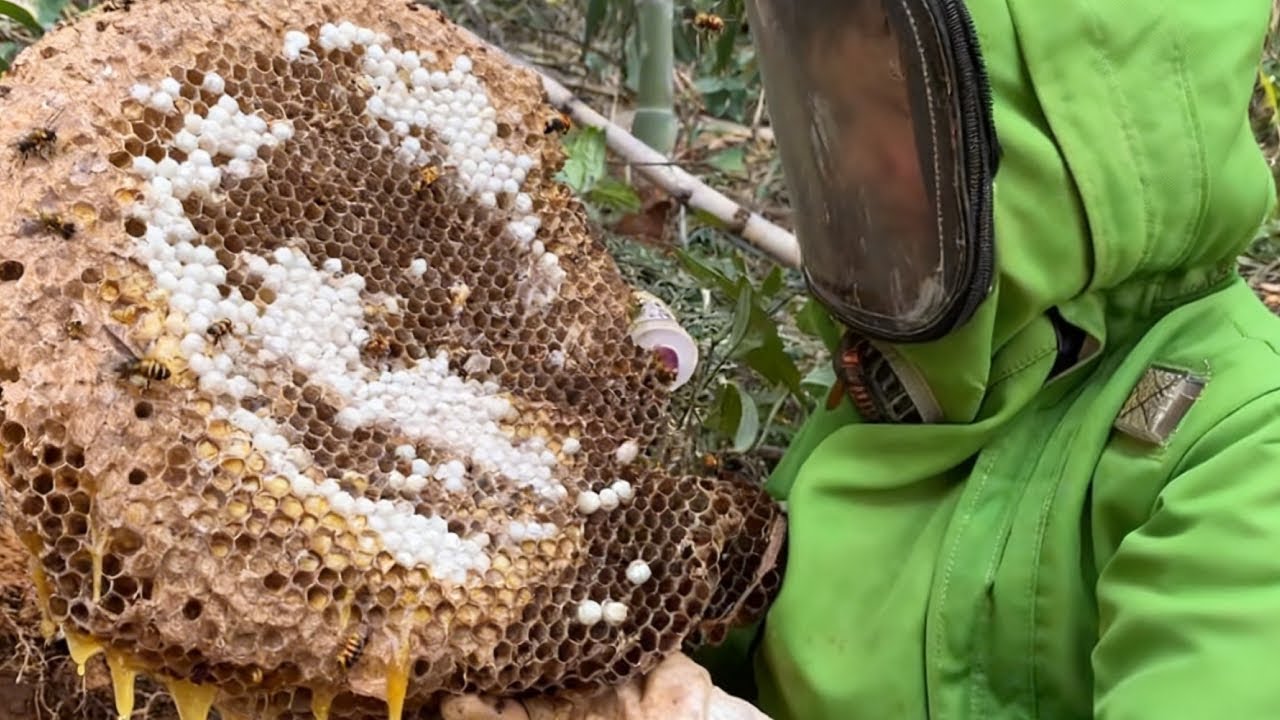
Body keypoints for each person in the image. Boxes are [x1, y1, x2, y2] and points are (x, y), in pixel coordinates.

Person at [443, 0, 1280, 717]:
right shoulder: (907, 377)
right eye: (833, 115)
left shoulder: (1244, 442)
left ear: (1078, 152)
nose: (857, 164)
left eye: (894, 112)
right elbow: (762, 648)